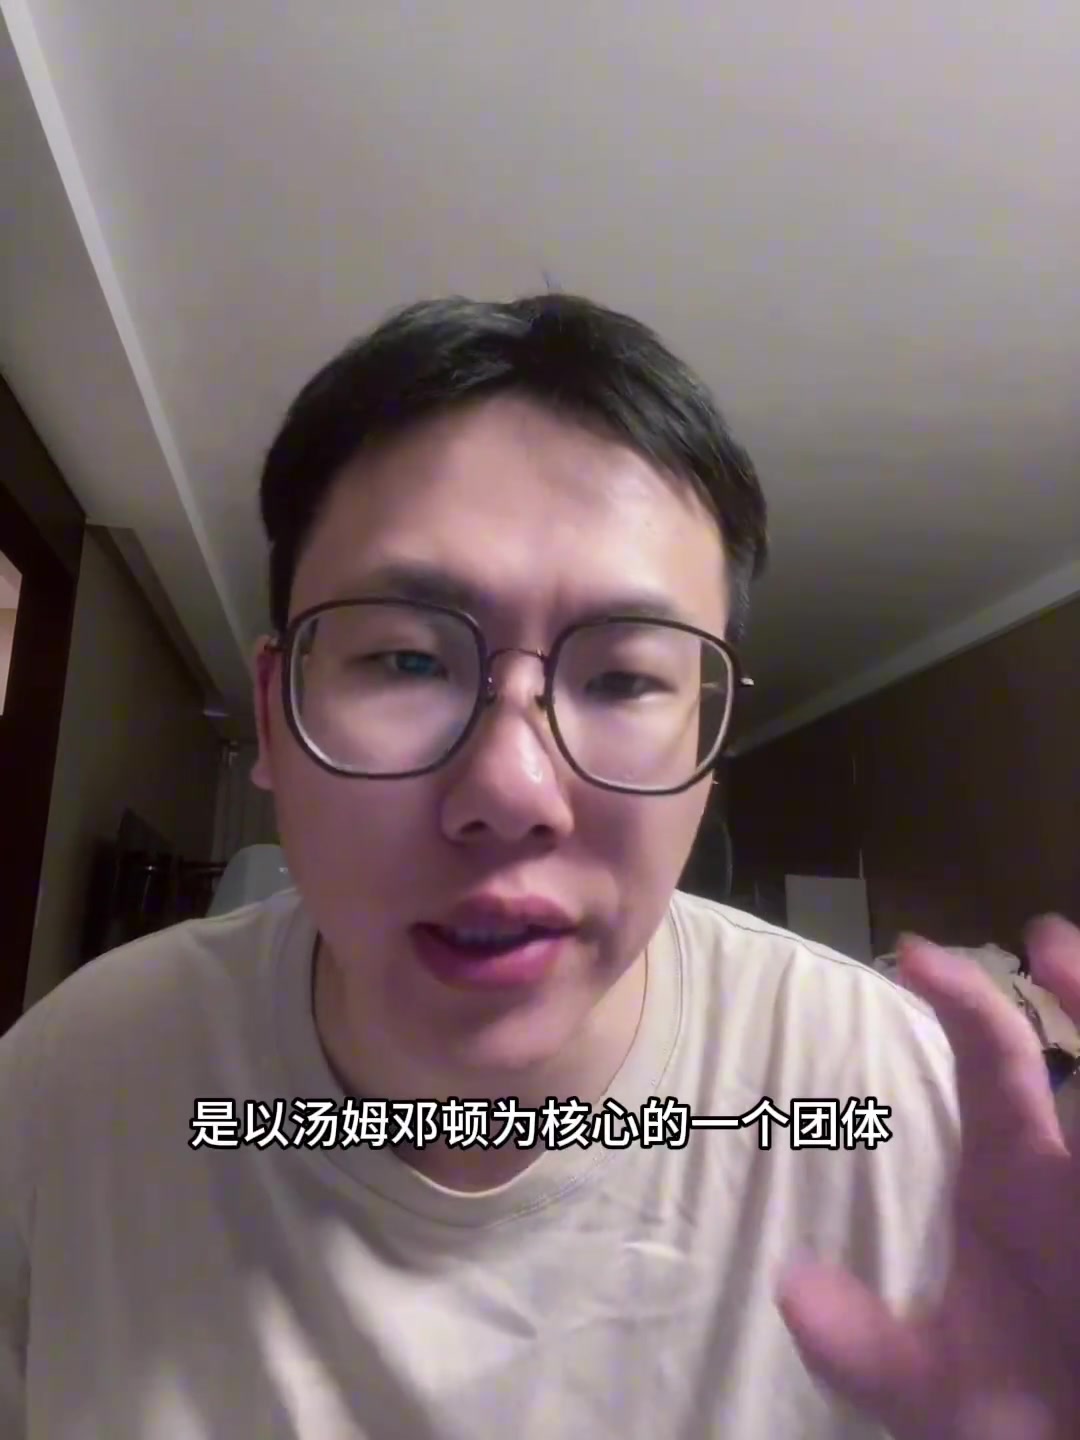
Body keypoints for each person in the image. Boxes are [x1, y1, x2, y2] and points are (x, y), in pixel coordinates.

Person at [0, 294, 1077, 1439]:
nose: (511, 789)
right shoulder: (76, 1083)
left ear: (710, 745)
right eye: (408, 660)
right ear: (273, 715)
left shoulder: (893, 1105)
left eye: (622, 680)